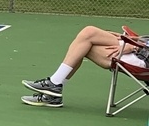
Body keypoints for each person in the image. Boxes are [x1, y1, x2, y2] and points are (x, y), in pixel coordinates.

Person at [21, 26, 149, 108]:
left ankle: (54, 87)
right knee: (88, 34)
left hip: (143, 60)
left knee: (85, 44)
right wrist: (133, 39)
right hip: (139, 49)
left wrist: (133, 46)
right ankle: (55, 86)